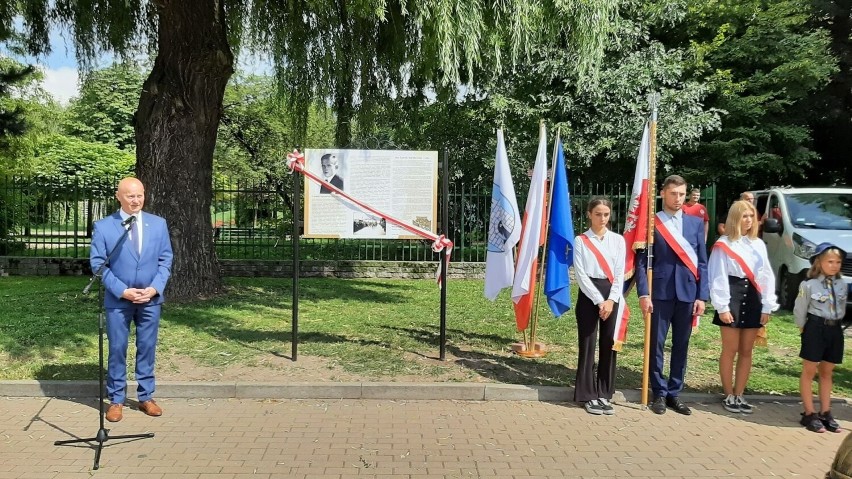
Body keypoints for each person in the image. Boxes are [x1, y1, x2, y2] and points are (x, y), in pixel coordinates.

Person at [90, 177, 173, 422]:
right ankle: (116, 400)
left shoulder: (158, 225)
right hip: (119, 300)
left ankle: (146, 397)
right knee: (117, 348)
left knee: (146, 347)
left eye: (139, 195)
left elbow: (165, 260)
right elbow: (98, 264)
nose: (136, 200)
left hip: (150, 299)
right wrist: (122, 290)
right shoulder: (104, 227)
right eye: (130, 196)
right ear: (118, 196)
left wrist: (155, 288)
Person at [636, 174, 709, 415]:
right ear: (663, 194)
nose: (678, 199)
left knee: (682, 345)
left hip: (688, 293)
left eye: (681, 194)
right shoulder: (652, 223)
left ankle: (674, 393)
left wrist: (702, 296)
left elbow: (702, 263)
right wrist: (643, 293)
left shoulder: (695, 224)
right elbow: (641, 261)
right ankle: (659, 392)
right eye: (673, 194)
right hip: (660, 291)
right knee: (656, 344)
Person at [708, 200, 778, 414]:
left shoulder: (758, 244)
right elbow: (717, 276)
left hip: (753, 297)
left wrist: (767, 305)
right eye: (744, 216)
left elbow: (766, 275)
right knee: (730, 349)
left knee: (747, 350)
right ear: (735, 219)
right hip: (732, 296)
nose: (749, 220)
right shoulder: (724, 244)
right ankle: (728, 394)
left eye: (751, 216)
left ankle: (740, 394)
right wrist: (722, 306)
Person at [572, 197, 626, 415]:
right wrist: (599, 300)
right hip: (589, 295)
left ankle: (604, 392)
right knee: (588, 344)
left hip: (612, 293)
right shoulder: (580, 240)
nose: (602, 218)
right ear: (589, 214)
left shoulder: (618, 241)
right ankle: (587, 394)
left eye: (606, 214)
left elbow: (620, 273)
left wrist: (611, 300)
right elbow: (581, 274)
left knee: (608, 344)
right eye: (597, 214)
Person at [794, 242, 847, 433]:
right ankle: (809, 413)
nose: (834, 265)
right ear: (818, 262)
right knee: (809, 370)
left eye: (838, 262)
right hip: (815, 327)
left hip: (834, 329)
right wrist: (803, 330)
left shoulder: (842, 284)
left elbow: (841, 308)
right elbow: (799, 310)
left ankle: (826, 412)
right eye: (830, 261)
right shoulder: (808, 285)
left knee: (827, 372)